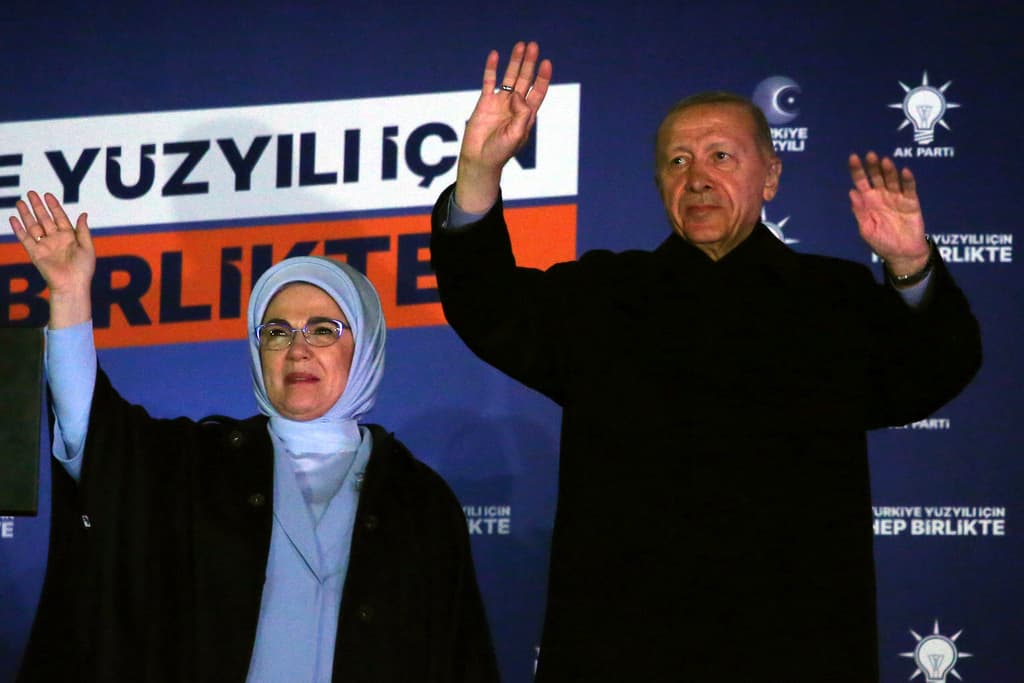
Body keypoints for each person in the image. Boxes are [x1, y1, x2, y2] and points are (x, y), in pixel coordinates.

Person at [429, 42, 982, 681]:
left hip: (797, 650)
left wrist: (911, 266)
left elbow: (936, 370)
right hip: (623, 653)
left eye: (721, 156)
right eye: (678, 161)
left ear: (770, 176)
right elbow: (487, 304)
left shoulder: (834, 299)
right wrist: (478, 172)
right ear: (660, 183)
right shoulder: (604, 298)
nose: (697, 178)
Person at [10, 191, 500, 683]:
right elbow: (96, 436)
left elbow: (461, 660)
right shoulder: (199, 467)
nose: (297, 350)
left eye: (323, 330)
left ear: (366, 345)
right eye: (277, 332)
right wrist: (69, 295)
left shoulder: (419, 500)